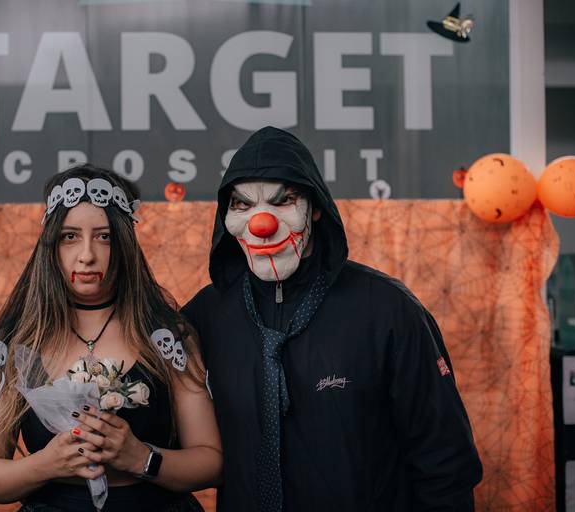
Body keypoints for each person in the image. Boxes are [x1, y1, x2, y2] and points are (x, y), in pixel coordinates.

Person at [182, 126, 483, 511]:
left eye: (283, 200)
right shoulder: (205, 315)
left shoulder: (388, 311)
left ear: (317, 207)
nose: (262, 222)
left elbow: (445, 461)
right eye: (242, 205)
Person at [0, 164, 222, 512]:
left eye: (104, 237)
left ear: (125, 245)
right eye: (69, 236)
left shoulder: (165, 337)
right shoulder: (20, 344)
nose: (86, 255)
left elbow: (211, 462)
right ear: (50, 246)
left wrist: (142, 458)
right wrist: (45, 465)